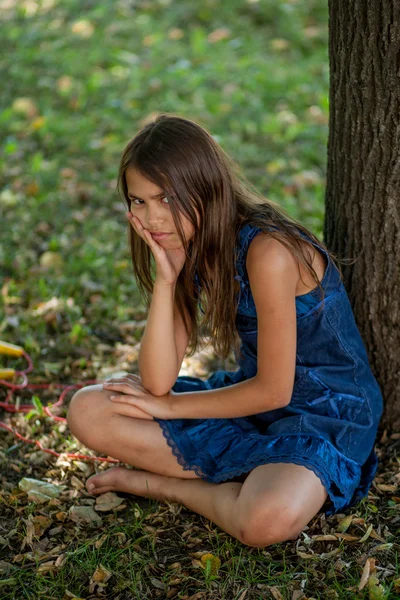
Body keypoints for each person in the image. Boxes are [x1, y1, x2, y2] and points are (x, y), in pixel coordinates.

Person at [67, 114, 383, 548]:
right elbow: (158, 382)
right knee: (88, 409)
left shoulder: (269, 251)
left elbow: (276, 390)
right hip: (251, 404)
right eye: (139, 201)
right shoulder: (186, 245)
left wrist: (174, 409)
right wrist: (166, 281)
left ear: (206, 186)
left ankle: (161, 485)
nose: (153, 218)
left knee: (263, 522)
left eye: (166, 198)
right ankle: (249, 475)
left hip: (326, 411)